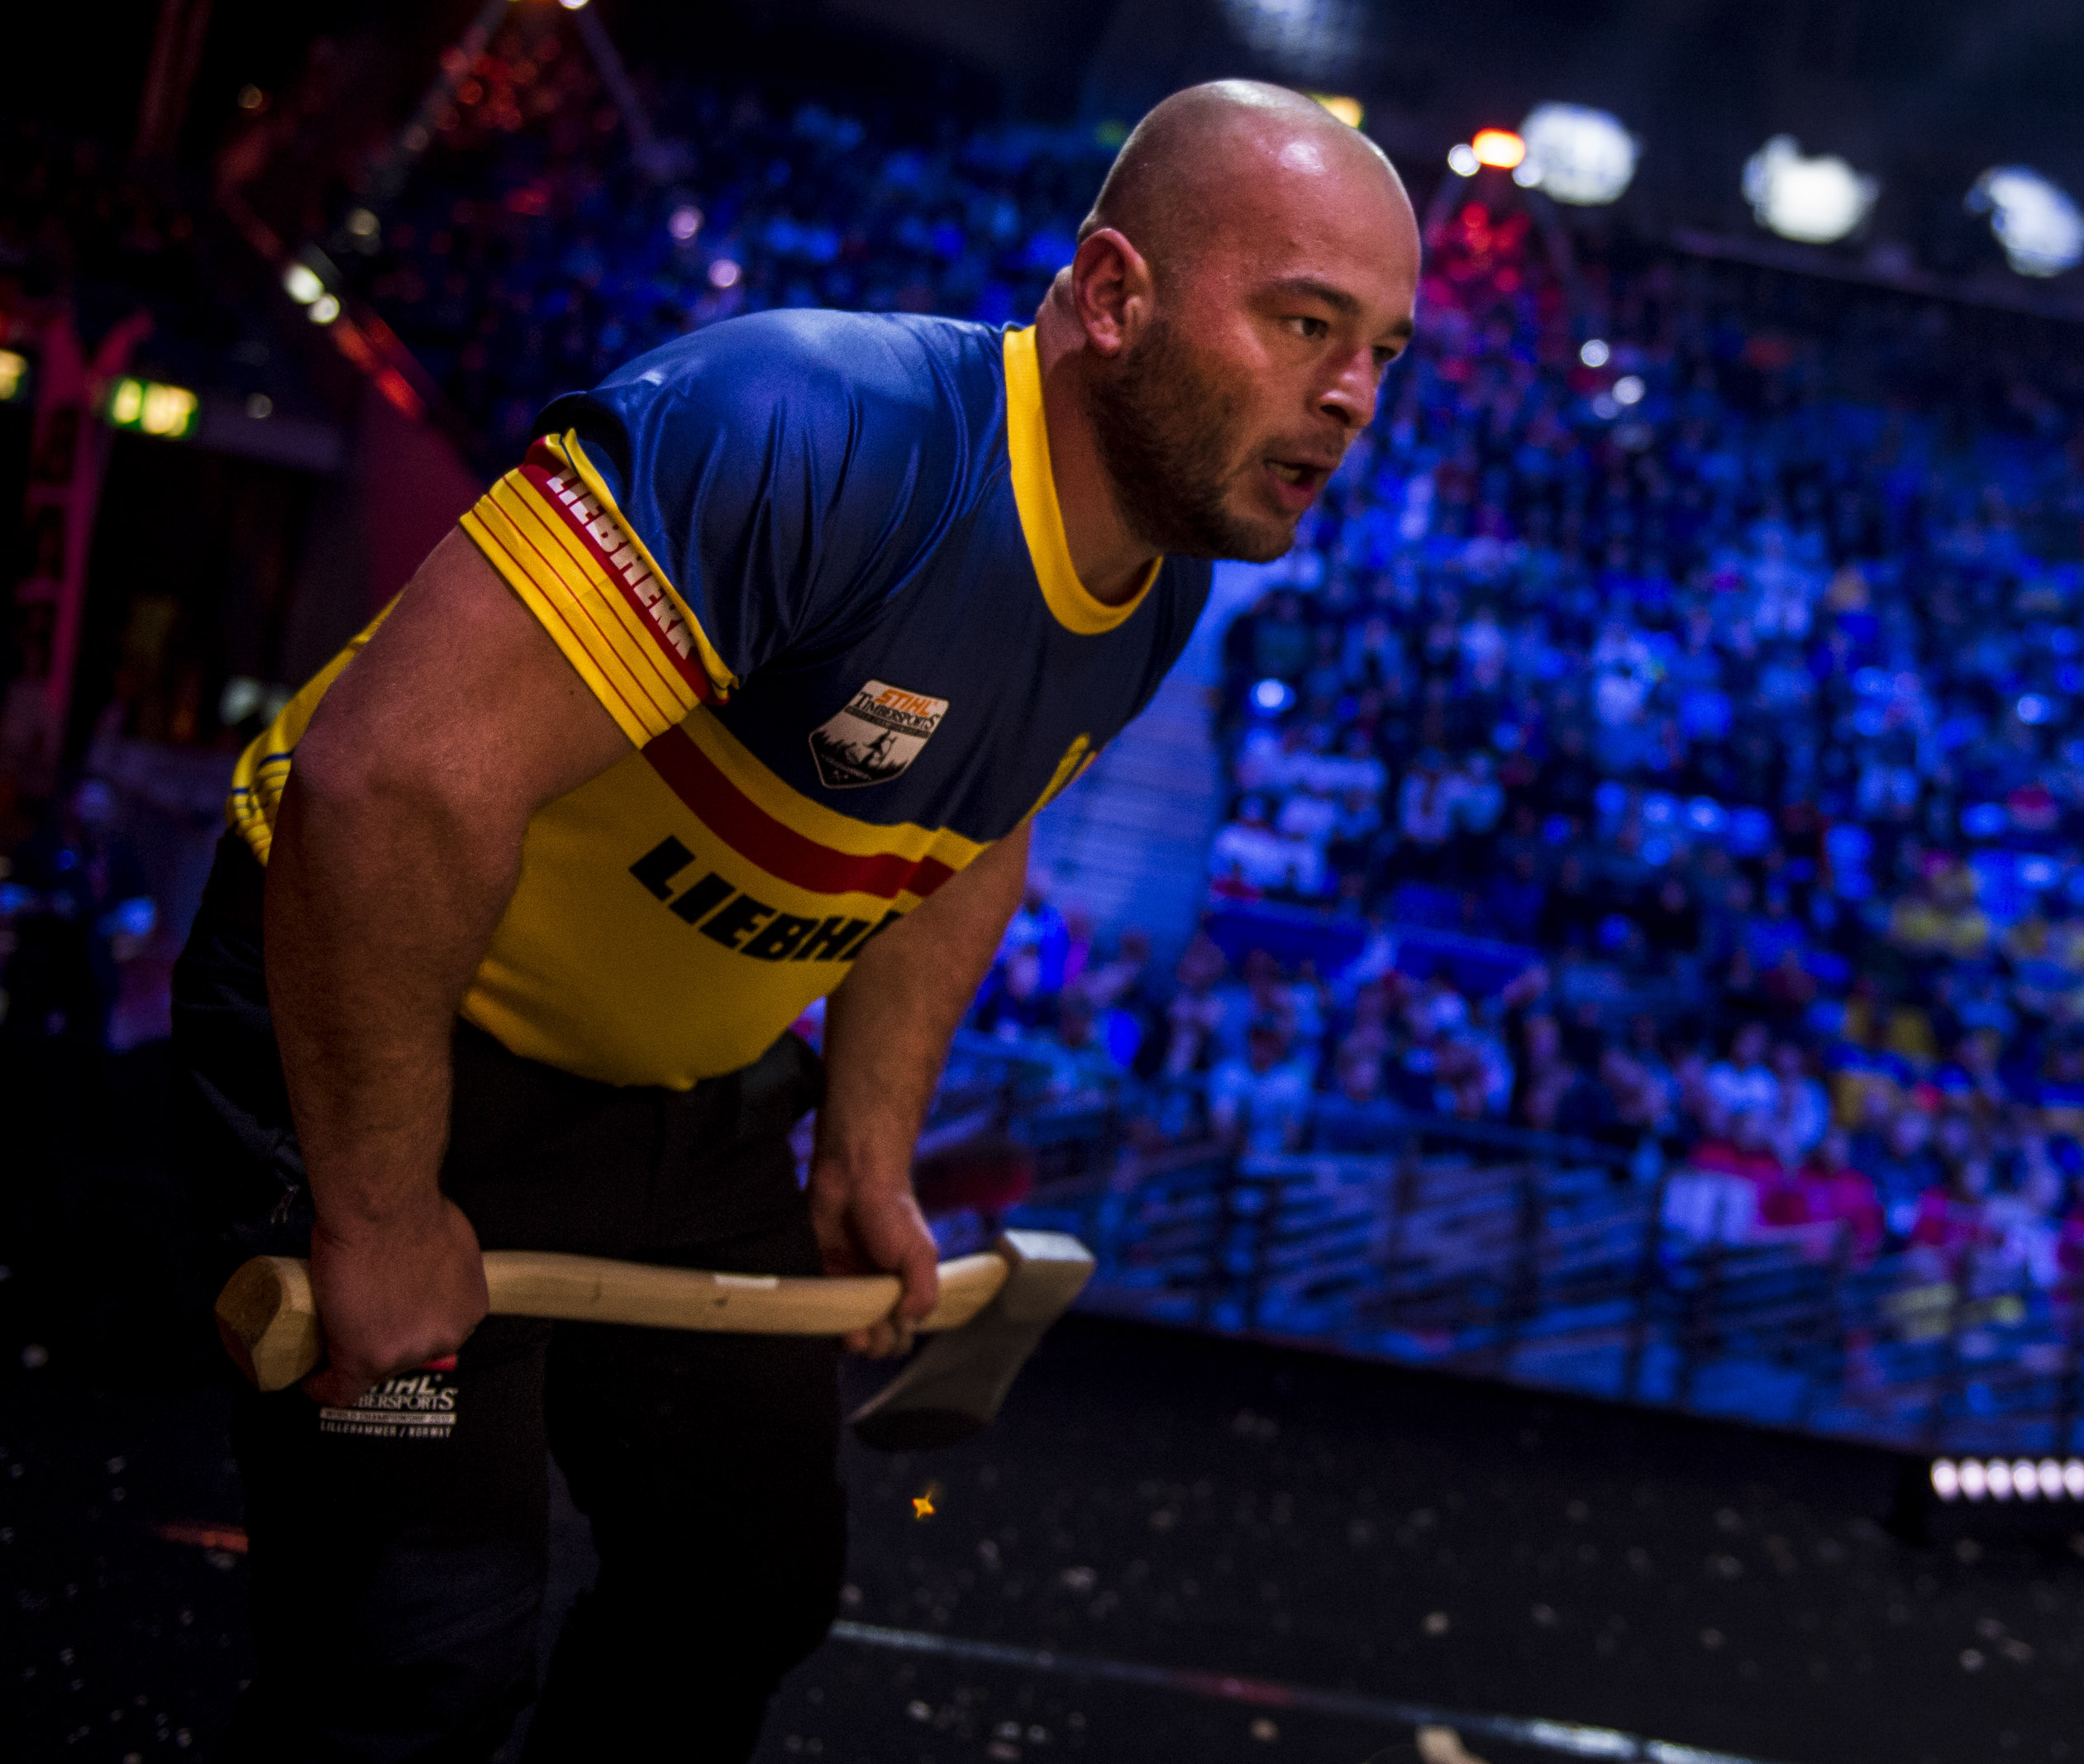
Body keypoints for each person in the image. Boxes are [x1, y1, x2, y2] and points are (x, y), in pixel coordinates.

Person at [169, 81, 1419, 1758]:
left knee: (744, 1585)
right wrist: (382, 1207)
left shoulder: (1153, 581)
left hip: (683, 1105)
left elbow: (970, 831)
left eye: (1382, 352)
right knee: (413, 1667)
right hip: (389, 1029)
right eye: (1305, 323)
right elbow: (383, 785)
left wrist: (866, 1157)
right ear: (1116, 295)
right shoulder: (811, 426)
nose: (1352, 397)